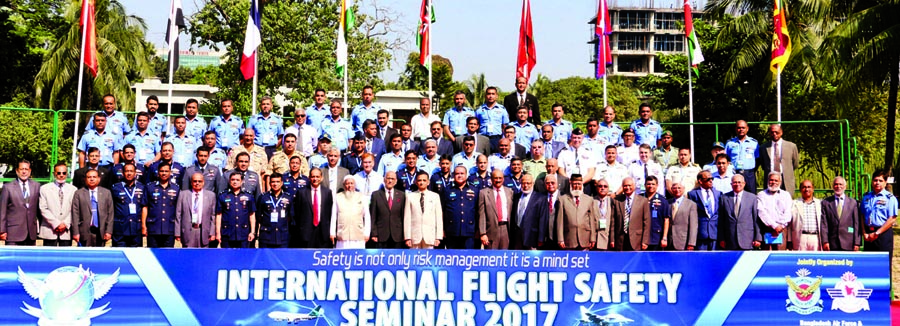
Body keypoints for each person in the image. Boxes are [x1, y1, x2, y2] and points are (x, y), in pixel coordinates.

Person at [0, 160, 41, 245]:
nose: (24, 171)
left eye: (26, 169)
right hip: (13, 234)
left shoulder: (36, 186)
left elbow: (39, 209)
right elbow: (2, 211)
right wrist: (2, 230)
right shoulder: (8, 187)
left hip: (31, 234)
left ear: (30, 171)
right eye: (21, 169)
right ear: (17, 171)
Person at [292, 168, 334, 248]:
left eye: (317, 177)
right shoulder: (301, 192)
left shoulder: (327, 192)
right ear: (309, 178)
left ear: (321, 178)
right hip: (306, 232)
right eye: (313, 177)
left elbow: (329, 212)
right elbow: (297, 213)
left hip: (323, 232)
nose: (315, 179)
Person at [718, 174, 761, 250]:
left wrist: (758, 237)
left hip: (748, 239)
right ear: (731, 184)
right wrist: (722, 238)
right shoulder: (724, 198)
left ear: (744, 184)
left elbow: (756, 219)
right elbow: (721, 220)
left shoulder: (752, 198)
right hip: (730, 240)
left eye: (739, 182)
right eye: (735, 182)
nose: (737, 184)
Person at [39, 163, 77, 247]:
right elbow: (43, 208)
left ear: (67, 174)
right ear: (54, 174)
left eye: (64, 173)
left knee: (66, 258)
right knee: (49, 257)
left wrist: (66, 223)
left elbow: (75, 210)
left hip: (66, 231)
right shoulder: (44, 189)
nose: (61, 175)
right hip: (49, 230)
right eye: (58, 173)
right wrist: (56, 223)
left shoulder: (73, 190)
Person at [72, 169, 114, 247]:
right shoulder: (79, 193)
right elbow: (75, 214)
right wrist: (75, 232)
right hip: (84, 231)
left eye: (94, 177)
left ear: (99, 179)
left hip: (100, 231)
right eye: (89, 177)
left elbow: (110, 213)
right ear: (85, 179)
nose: (91, 179)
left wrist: (108, 231)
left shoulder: (106, 193)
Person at [143, 162, 180, 248]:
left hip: (169, 228)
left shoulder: (176, 188)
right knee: (153, 255)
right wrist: (144, 226)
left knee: (168, 256)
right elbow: (145, 207)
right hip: (153, 227)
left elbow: (178, 210)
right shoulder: (150, 187)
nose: (164, 173)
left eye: (166, 171)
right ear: (158, 172)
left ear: (170, 172)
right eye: (162, 171)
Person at [556, 174, 597, 250]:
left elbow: (591, 220)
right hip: (569, 239)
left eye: (579, 184)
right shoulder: (562, 199)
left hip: (585, 238)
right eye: (574, 184)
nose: (577, 186)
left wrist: (593, 238)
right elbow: (560, 221)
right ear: (570, 184)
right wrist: (560, 239)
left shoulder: (589, 199)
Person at [861, 170, 897, 258]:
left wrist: (877, 233)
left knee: (883, 265)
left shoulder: (890, 198)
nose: (877, 183)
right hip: (868, 235)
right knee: (868, 263)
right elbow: (862, 215)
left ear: (885, 183)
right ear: (872, 182)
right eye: (875, 180)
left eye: (880, 181)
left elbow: (892, 218)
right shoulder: (866, 197)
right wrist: (864, 233)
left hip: (882, 234)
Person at [175, 172, 216, 248]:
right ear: (191, 182)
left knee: (203, 257)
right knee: (188, 256)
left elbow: (213, 216)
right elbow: (178, 214)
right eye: (195, 181)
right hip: (188, 231)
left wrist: (212, 232)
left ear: (203, 182)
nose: (197, 183)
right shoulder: (183, 194)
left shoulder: (211, 195)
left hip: (203, 231)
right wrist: (177, 232)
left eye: (199, 181)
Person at [442, 166, 479, 249]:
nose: (459, 175)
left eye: (462, 173)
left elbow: (478, 211)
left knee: (468, 258)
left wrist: (478, 230)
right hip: (452, 230)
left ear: (466, 175)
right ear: (453, 175)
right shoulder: (447, 190)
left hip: (469, 230)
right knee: (452, 257)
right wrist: (442, 229)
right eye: (457, 173)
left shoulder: (474, 190)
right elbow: (442, 211)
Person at [216, 172, 257, 248]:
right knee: (227, 258)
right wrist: (218, 233)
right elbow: (219, 215)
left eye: (237, 180)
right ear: (229, 181)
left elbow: (252, 215)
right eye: (233, 180)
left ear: (242, 181)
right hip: (227, 233)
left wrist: (252, 232)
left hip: (243, 233)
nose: (235, 182)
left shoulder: (248, 196)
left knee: (243, 257)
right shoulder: (223, 196)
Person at [404, 172, 443, 249]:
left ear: (428, 182)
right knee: (414, 259)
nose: (422, 182)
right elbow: (407, 218)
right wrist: (407, 237)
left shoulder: (435, 196)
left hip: (430, 236)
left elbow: (438, 218)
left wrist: (438, 236)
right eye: (419, 180)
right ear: (416, 182)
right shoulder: (410, 196)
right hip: (414, 237)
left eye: (424, 180)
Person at [821, 176, 861, 251]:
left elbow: (856, 224)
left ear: (845, 187)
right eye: (836, 184)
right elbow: (824, 224)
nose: (838, 186)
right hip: (832, 243)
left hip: (849, 243)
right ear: (833, 186)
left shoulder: (853, 203)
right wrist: (825, 241)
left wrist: (857, 242)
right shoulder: (826, 202)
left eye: (840, 184)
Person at [110, 163, 145, 247]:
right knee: (119, 256)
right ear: (122, 173)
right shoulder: (115, 188)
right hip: (120, 228)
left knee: (136, 256)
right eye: (127, 171)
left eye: (131, 171)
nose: (129, 173)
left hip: (136, 228)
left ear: (135, 173)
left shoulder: (142, 187)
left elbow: (145, 207)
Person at [759, 124, 799, 197]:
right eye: (772, 132)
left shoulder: (791, 146)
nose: (774, 134)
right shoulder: (763, 147)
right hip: (771, 179)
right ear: (769, 133)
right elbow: (763, 164)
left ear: (781, 132)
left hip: (785, 179)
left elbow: (795, 164)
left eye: (776, 132)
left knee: (786, 203)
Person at [331, 176, 370, 249]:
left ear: (355, 185)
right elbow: (334, 216)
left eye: (352, 183)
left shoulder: (362, 197)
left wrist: (367, 233)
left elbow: (367, 217)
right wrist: (332, 233)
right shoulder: (337, 197)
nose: (349, 186)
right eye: (347, 183)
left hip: (358, 234)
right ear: (344, 185)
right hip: (342, 234)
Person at [478, 170, 514, 249]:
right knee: (491, 257)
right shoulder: (483, 193)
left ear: (503, 179)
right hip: (491, 230)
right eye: (495, 178)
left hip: (506, 229)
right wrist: (483, 233)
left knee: (504, 256)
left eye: (500, 178)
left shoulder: (510, 192)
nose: (498, 180)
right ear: (491, 179)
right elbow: (482, 214)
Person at [756, 172, 792, 250]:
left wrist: (780, 227)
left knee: (780, 257)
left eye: (776, 180)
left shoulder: (786, 195)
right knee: (767, 255)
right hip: (767, 229)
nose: (773, 182)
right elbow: (761, 212)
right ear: (768, 181)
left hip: (781, 230)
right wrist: (774, 226)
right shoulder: (761, 195)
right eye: (771, 180)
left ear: (780, 182)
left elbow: (788, 212)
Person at [785, 180, 824, 251]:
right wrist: (789, 240)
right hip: (800, 237)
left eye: (809, 187)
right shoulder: (794, 203)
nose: (806, 189)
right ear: (800, 189)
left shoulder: (820, 203)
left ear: (813, 189)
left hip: (815, 237)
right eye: (804, 187)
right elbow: (790, 224)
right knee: (800, 260)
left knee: (815, 260)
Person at [370, 171, 406, 249]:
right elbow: (373, 216)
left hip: (397, 235)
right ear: (384, 179)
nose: (390, 181)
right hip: (381, 235)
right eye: (388, 178)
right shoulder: (376, 195)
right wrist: (374, 233)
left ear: (396, 181)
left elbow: (403, 216)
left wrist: (404, 234)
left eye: (392, 179)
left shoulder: (401, 195)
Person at [511, 174, 547, 250]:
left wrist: (541, 238)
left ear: (533, 184)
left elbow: (542, 220)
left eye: (528, 183)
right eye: (523, 183)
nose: (525, 185)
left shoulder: (540, 198)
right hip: (517, 238)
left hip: (532, 238)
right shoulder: (516, 197)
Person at [688, 170, 722, 251]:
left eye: (712, 179)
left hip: (715, 233)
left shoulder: (718, 193)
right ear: (700, 181)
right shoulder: (692, 194)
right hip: (701, 233)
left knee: (715, 260)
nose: (711, 181)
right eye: (708, 179)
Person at [256, 174, 293, 248]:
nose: (275, 184)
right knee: (265, 258)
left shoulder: (288, 197)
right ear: (269, 183)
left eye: (277, 182)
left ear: (282, 183)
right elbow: (258, 216)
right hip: (266, 235)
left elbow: (290, 216)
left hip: (282, 235)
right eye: (273, 182)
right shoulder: (263, 197)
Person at [615, 177, 650, 251]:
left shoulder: (643, 201)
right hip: (621, 239)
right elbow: (613, 221)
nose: (627, 188)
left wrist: (645, 241)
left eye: (629, 185)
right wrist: (612, 239)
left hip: (636, 239)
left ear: (634, 186)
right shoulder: (617, 200)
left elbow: (647, 222)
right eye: (625, 186)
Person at [725, 120, 760, 194]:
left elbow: (758, 159)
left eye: (743, 128)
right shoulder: (730, 143)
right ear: (735, 129)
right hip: (734, 172)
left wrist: (751, 170)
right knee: (734, 194)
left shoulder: (754, 143)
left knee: (751, 195)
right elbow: (726, 158)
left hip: (749, 174)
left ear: (747, 128)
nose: (741, 130)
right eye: (739, 128)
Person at [668, 182, 697, 251]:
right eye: (674, 188)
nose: (677, 190)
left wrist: (691, 243)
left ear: (683, 189)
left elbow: (693, 225)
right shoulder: (668, 203)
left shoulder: (691, 204)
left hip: (683, 241)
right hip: (669, 241)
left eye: (679, 188)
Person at [592, 179, 620, 250]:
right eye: (600, 186)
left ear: (608, 189)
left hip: (608, 240)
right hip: (594, 239)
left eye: (605, 186)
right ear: (596, 188)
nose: (602, 188)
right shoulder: (591, 201)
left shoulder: (613, 202)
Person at [643, 176, 670, 251]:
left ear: (657, 185)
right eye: (648, 184)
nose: (650, 186)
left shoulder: (663, 200)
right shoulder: (639, 198)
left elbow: (666, 220)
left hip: (656, 237)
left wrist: (664, 238)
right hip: (641, 238)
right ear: (645, 185)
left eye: (653, 184)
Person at [542, 175, 561, 250]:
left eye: (552, 183)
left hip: (559, 238)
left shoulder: (564, 197)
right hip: (544, 238)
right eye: (548, 183)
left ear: (557, 183)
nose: (550, 185)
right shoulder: (540, 197)